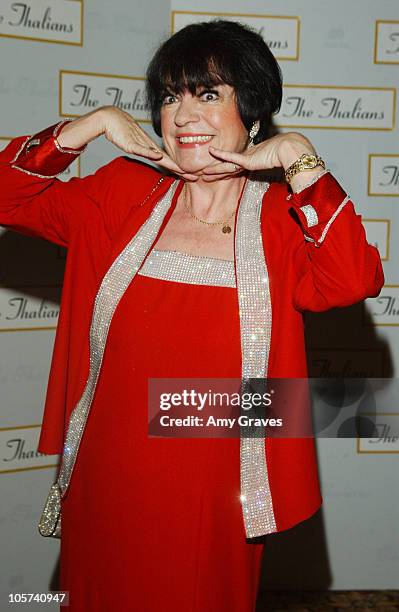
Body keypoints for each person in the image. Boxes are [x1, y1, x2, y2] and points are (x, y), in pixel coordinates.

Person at [0, 19, 383, 612]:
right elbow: (8, 195)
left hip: (221, 479)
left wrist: (301, 157)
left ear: (250, 114)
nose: (182, 115)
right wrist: (92, 124)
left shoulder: (284, 214)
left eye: (208, 94)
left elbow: (352, 278)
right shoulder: (122, 191)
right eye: (171, 96)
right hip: (113, 469)